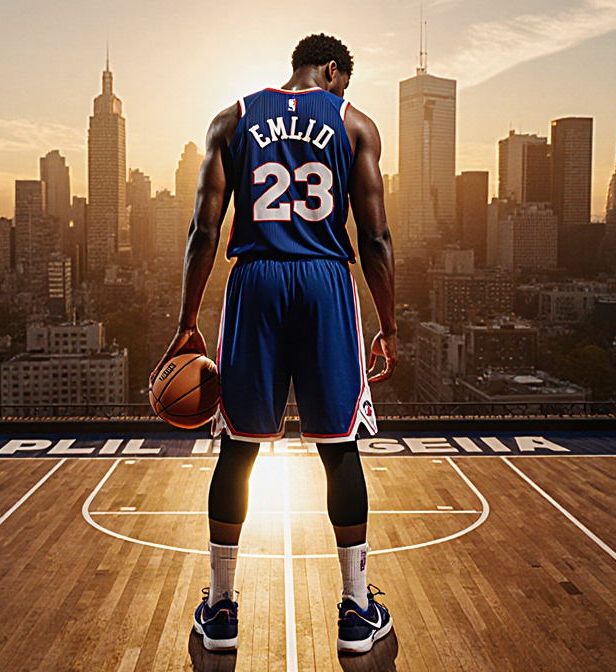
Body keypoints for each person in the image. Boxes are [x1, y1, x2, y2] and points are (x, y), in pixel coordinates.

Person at [152, 33, 397, 655]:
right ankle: (357, 610)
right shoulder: (356, 123)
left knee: (237, 449)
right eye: (345, 80)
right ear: (335, 72)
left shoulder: (231, 118)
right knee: (339, 449)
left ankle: (220, 608)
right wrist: (389, 324)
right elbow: (375, 237)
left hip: (255, 281)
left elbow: (204, 226)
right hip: (322, 282)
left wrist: (187, 319)